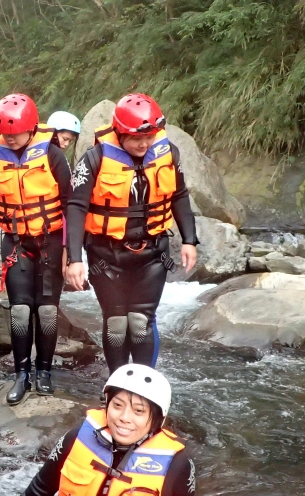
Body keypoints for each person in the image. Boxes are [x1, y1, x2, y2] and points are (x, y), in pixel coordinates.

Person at [9, 364, 195, 496]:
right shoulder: (77, 437)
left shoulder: (177, 464)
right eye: (117, 405)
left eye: (138, 411)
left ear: (158, 418)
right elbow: (40, 488)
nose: (124, 418)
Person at [64, 94, 198, 373]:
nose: (144, 144)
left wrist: (189, 240)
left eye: (149, 137)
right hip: (106, 255)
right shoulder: (95, 159)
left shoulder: (168, 153)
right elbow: (76, 207)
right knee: (116, 323)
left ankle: (142, 387)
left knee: (140, 322)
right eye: (137, 138)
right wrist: (74, 258)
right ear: (119, 133)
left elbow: (179, 196)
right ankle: (116, 385)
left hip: (152, 254)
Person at [0, 94, 72, 405]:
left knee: (46, 311)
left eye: (15, 133)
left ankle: (44, 372)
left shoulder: (53, 155)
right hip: (16, 242)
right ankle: (22, 374)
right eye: (5, 134)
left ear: (32, 128)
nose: (10, 138)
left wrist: (72, 251)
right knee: (20, 310)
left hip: (50, 242)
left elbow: (72, 206)